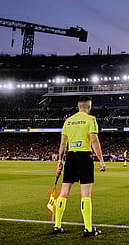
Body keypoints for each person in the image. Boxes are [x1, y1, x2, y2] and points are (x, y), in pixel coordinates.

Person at [53, 96, 106, 236]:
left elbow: (63, 144)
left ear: (78, 106)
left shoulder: (68, 121)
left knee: (64, 193)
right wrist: (101, 160)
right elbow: (94, 141)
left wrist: (59, 161)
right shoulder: (91, 120)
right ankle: (88, 229)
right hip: (84, 157)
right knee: (86, 194)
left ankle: (57, 226)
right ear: (89, 106)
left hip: (70, 158)